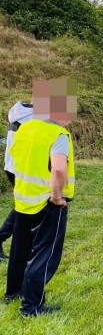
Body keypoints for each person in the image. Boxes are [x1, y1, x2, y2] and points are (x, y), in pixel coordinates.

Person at [6, 78, 76, 316]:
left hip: (23, 199)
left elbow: (15, 161)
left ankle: (12, 294)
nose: (70, 116)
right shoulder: (57, 134)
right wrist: (57, 198)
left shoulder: (24, 129)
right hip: (48, 204)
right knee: (44, 255)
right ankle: (31, 307)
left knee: (20, 249)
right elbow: (58, 169)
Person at [0, 101, 33, 261]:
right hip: (21, 168)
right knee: (24, 208)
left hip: (12, 166)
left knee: (24, 207)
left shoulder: (19, 111)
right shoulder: (35, 118)